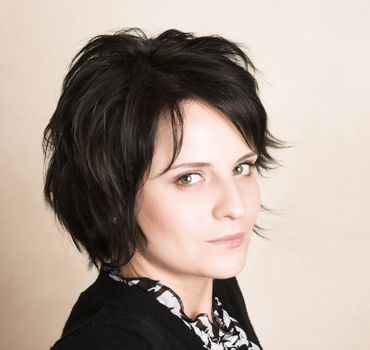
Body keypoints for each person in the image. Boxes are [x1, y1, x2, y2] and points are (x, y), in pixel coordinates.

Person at [43, 27, 286, 349]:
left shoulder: (210, 290)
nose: (236, 207)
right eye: (189, 178)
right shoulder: (110, 342)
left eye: (241, 168)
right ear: (111, 197)